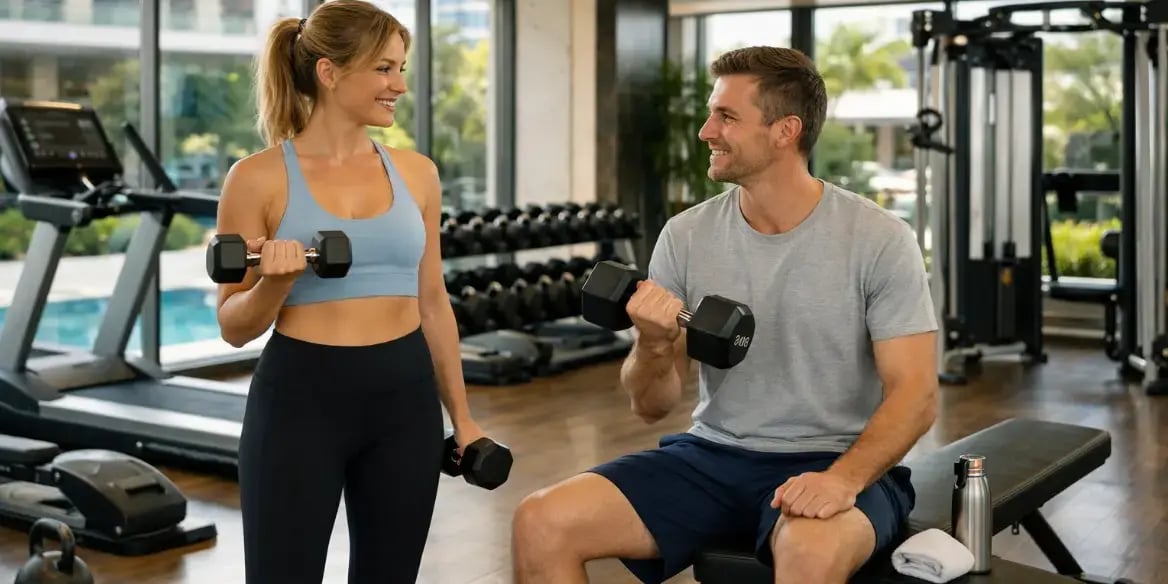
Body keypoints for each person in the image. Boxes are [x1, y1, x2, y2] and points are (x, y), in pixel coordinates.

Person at [511, 46, 939, 584]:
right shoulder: (687, 234)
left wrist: (841, 480)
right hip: (710, 456)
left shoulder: (878, 238)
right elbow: (650, 406)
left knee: (809, 551)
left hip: (834, 457)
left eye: (726, 117)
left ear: (785, 131)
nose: (705, 131)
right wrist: (654, 343)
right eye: (712, 113)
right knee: (541, 521)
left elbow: (916, 394)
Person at [214, 2, 490, 582]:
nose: (400, 85)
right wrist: (275, 282)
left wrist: (462, 419)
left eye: (402, 68)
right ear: (329, 72)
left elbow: (432, 300)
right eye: (385, 69)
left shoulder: (417, 173)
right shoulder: (257, 177)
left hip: (405, 400)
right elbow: (234, 326)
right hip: (299, 402)